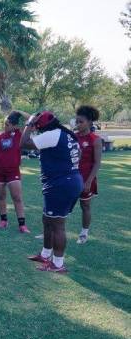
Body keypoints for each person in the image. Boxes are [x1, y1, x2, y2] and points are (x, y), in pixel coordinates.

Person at [22, 111, 82, 273]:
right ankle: (45, 254)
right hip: (68, 181)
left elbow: (24, 142)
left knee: (57, 224)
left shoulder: (53, 135)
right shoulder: (65, 134)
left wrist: (29, 123)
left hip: (61, 184)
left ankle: (58, 264)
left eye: (38, 127)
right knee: (47, 219)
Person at [0, 111, 30, 233]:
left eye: (7, 124)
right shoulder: (1, 136)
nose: (5, 126)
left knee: (17, 197)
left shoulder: (19, 134)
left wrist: (18, 112)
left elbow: (31, 119)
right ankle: (3, 220)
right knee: (1, 196)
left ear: (15, 126)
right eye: (4, 124)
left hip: (13, 171)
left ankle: (22, 225)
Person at [74, 105, 102, 244]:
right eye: (76, 121)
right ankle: (52, 230)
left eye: (81, 122)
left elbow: (97, 163)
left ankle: (84, 233)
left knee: (85, 206)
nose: (78, 124)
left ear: (90, 122)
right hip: (71, 178)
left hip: (86, 178)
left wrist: (89, 181)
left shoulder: (95, 139)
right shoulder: (73, 137)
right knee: (62, 205)